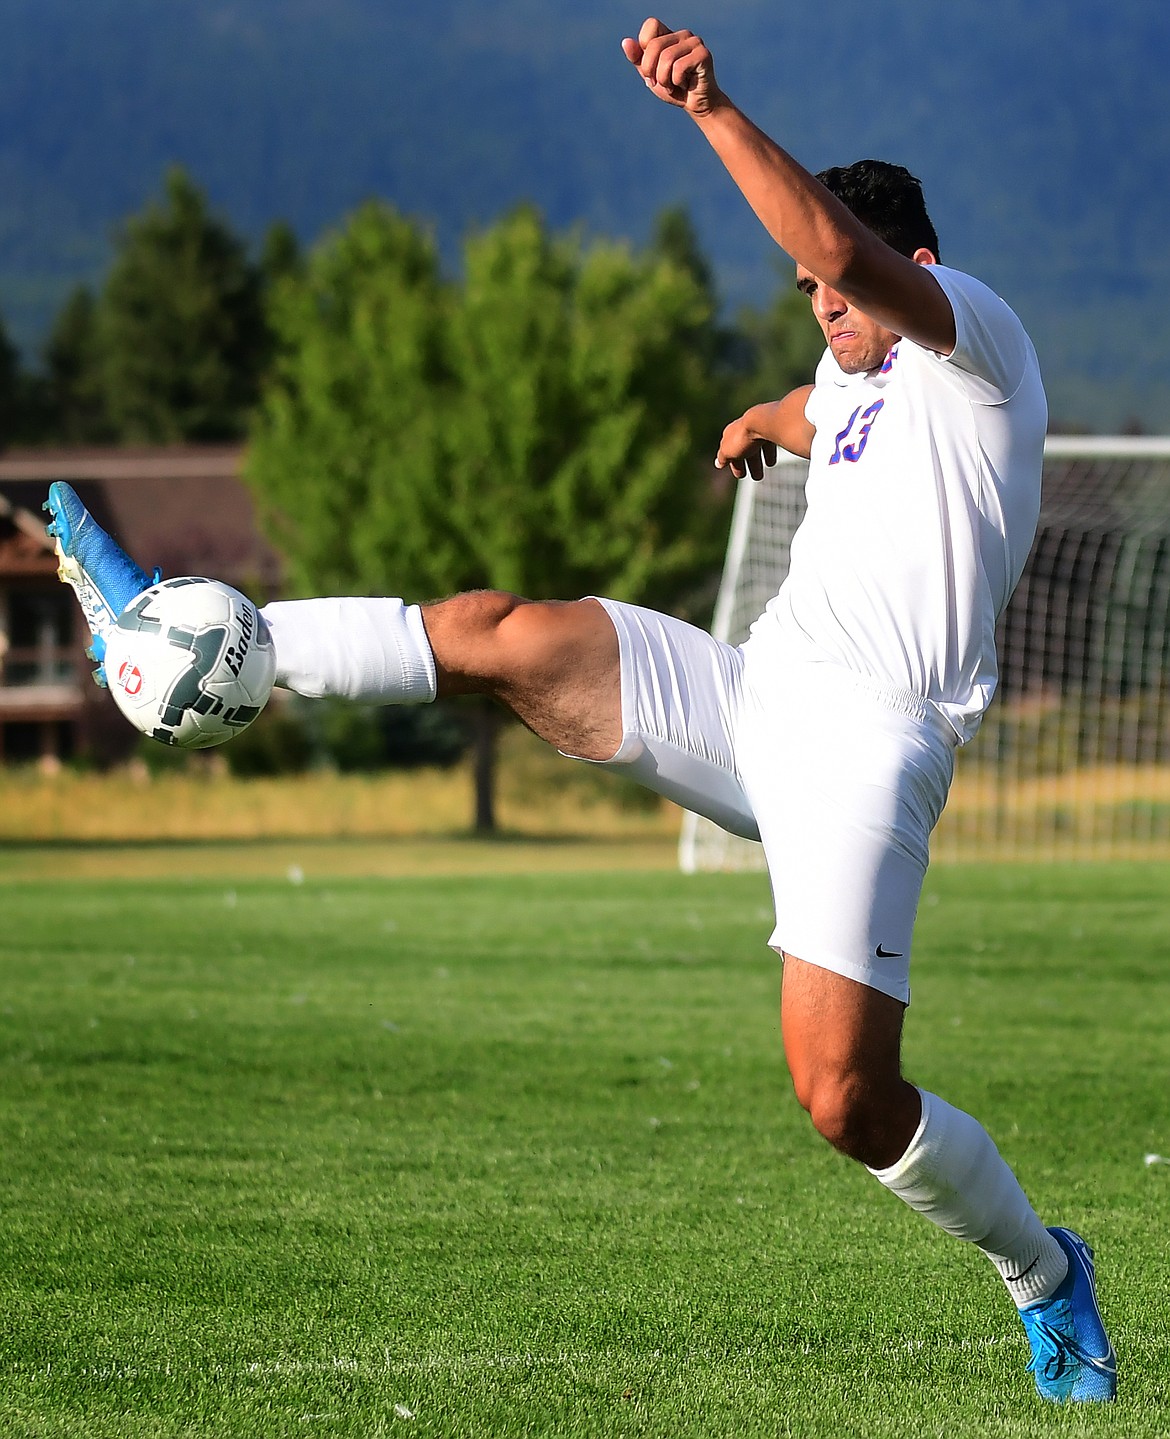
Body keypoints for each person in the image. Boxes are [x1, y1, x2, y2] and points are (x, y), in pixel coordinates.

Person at [44, 17, 1115, 1404]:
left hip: (871, 749)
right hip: (750, 694)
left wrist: (711, 107)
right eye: (801, 292)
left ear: (921, 271)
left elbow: (854, 266)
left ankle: (1043, 1272)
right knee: (503, 632)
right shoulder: (849, 379)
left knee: (843, 1101)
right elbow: (816, 399)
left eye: (836, 288)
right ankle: (174, 626)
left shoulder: (981, 348)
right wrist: (756, 417)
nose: (823, 308)